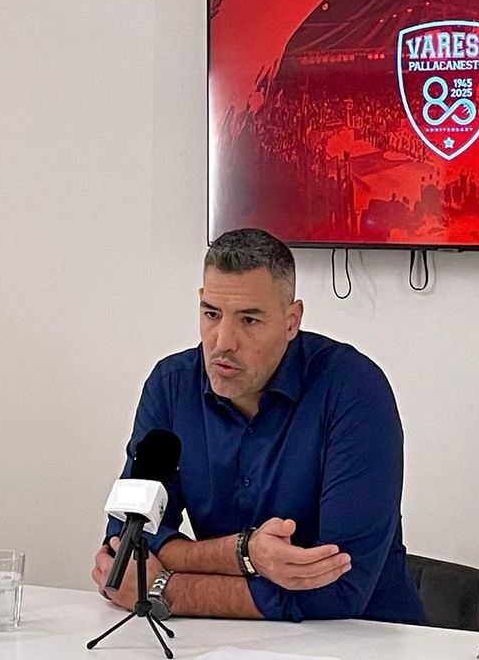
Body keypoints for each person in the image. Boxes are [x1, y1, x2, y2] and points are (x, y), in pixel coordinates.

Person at [91, 228, 425, 624]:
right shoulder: (171, 386)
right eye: (211, 314)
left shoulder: (354, 389)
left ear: (291, 321)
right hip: (224, 639)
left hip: (361, 638)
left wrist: (168, 589)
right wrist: (244, 553)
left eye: (249, 320)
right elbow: (126, 544)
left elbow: (339, 589)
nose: (223, 341)